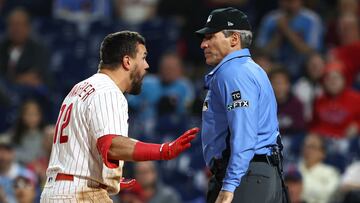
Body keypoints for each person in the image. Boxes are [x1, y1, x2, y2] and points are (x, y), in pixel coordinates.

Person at [40, 31, 199, 202]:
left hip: (59, 189)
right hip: (79, 193)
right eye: (143, 57)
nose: (146, 65)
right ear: (127, 61)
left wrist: (109, 177)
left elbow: (85, 144)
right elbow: (112, 146)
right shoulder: (108, 91)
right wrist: (163, 150)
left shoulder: (80, 88)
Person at [195, 7, 286, 203]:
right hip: (257, 173)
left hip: (246, 177)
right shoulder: (249, 69)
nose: (203, 44)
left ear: (234, 39)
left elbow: (244, 133)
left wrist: (229, 185)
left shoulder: (234, 73)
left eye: (210, 37)